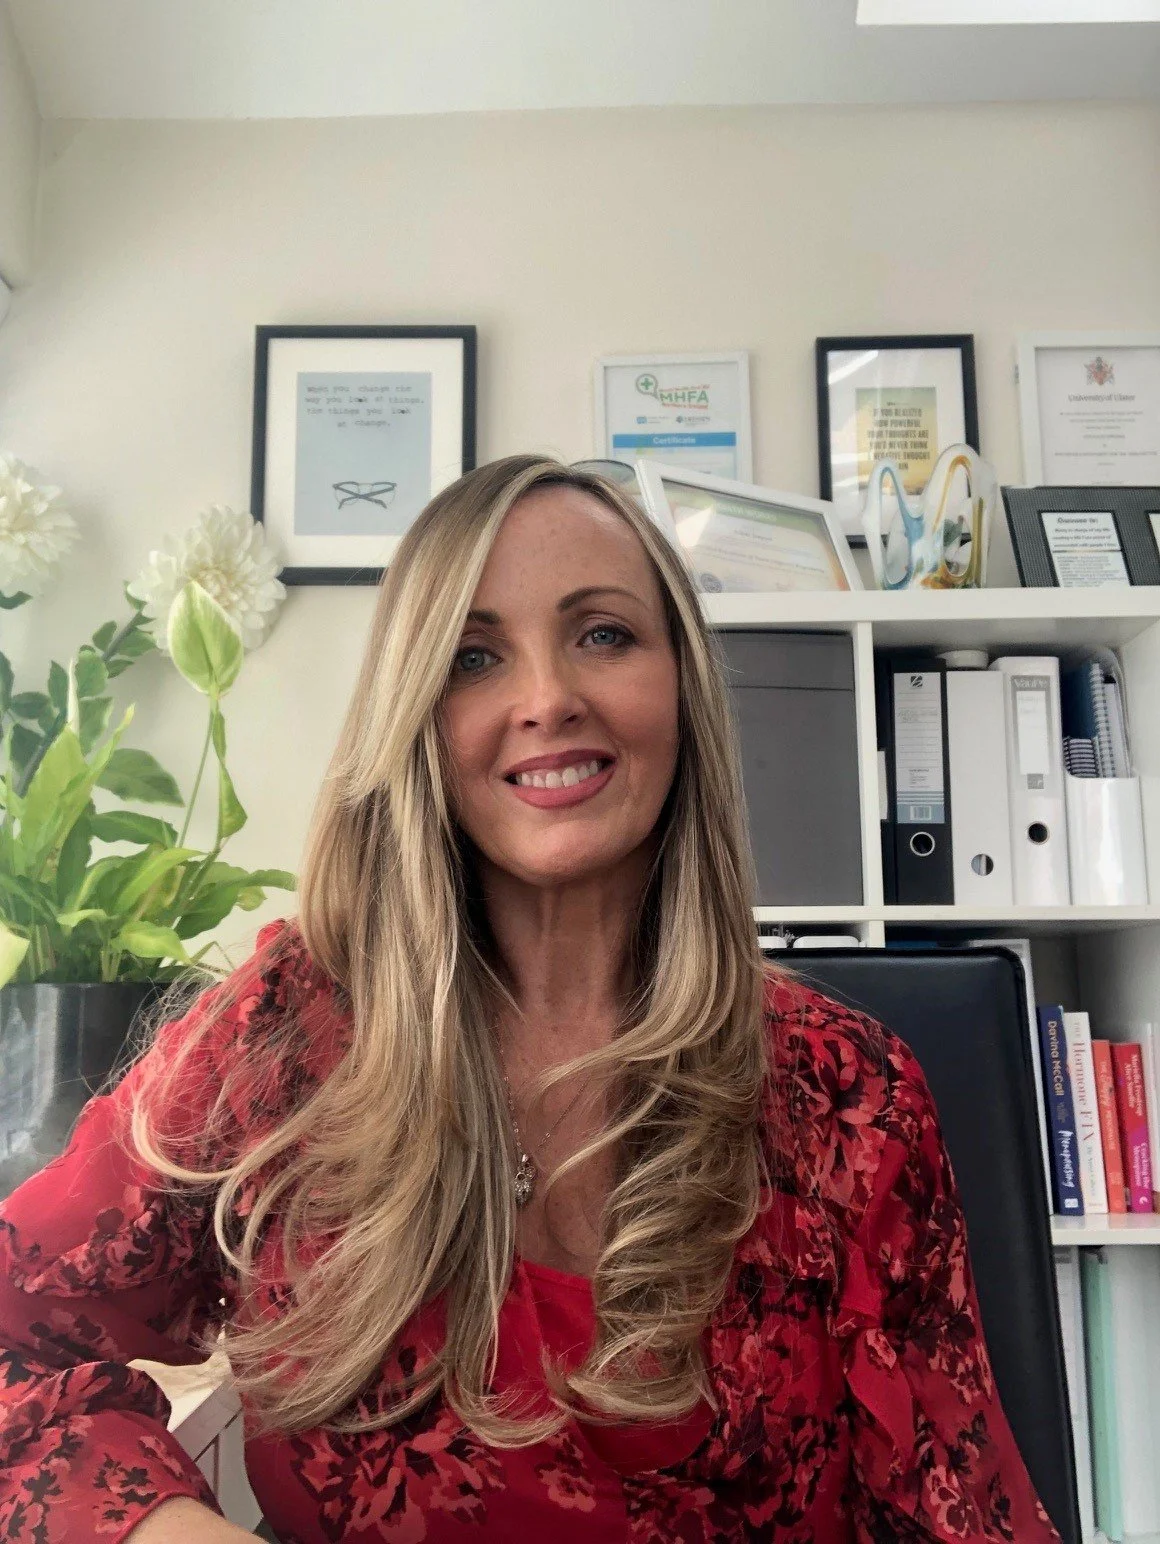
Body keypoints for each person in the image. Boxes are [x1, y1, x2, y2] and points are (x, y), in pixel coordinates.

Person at [0, 455, 1059, 1543]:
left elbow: (955, 1513)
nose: (547, 697)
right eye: (472, 655)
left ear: (683, 686)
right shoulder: (289, 1028)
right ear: (412, 712)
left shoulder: (845, 1091)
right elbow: (14, 1339)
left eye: (603, 633)